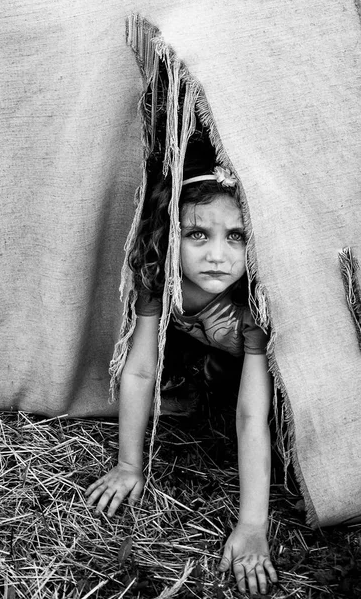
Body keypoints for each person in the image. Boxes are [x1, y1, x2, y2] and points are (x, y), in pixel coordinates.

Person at [85, 155, 278, 595]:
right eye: (197, 234)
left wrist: (252, 524)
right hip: (206, 356)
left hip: (251, 375)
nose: (217, 255)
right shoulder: (160, 277)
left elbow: (252, 415)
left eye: (236, 237)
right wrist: (130, 465)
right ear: (172, 235)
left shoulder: (255, 306)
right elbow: (139, 369)